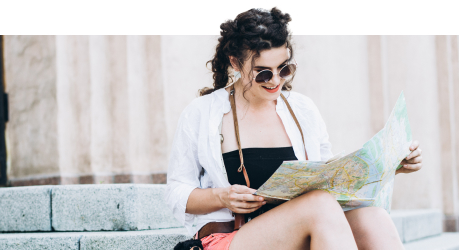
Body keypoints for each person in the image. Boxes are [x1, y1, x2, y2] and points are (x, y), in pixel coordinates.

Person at [165, 7, 423, 250]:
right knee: (319, 205)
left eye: (284, 68)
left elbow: (329, 179)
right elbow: (177, 194)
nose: (276, 80)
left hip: (297, 230)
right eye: (263, 73)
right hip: (230, 237)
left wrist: (387, 167)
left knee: (372, 216)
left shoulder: (302, 109)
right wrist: (222, 197)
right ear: (234, 62)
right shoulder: (201, 112)